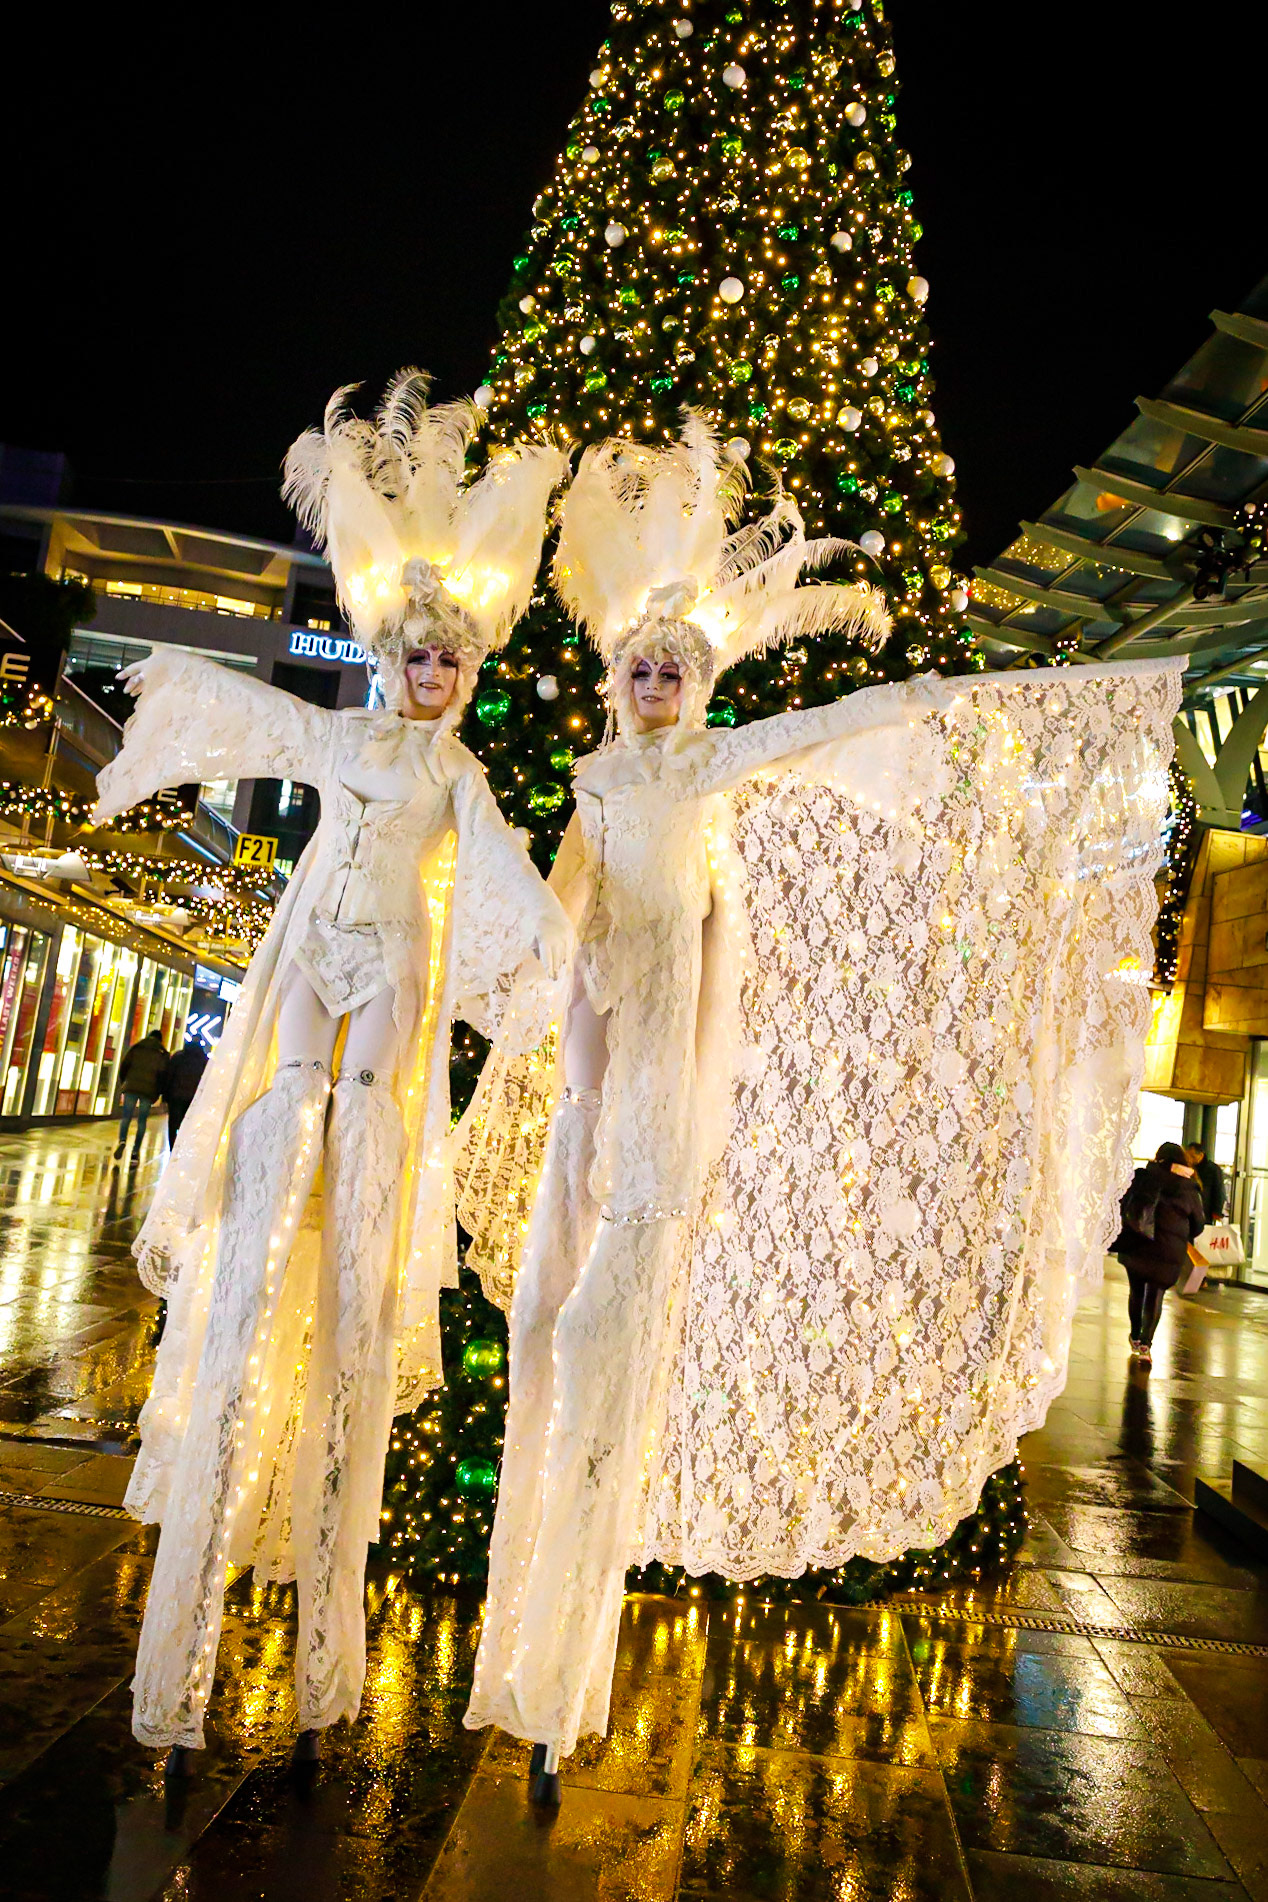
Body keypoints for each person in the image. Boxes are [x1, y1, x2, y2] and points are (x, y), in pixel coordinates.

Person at [454, 417, 1184, 1803]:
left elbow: (832, 730)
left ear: (700, 681)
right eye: (639, 666)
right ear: (615, 678)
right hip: (588, 1098)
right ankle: (536, 1663)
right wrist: (522, 962)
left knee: (609, 1354)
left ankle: (565, 1679)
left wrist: (954, 703)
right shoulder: (598, 785)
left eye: (677, 668)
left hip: (662, 1109)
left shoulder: (715, 770)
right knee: (555, 1339)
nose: (656, 683)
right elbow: (557, 916)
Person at [91, 372, 570, 1778]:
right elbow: (264, 720)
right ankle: (290, 1145)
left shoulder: (458, 776)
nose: (438, 679)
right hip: (316, 947)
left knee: (364, 1115)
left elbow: (503, 877)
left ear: (465, 674)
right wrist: (178, 690)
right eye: (423, 659)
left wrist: (551, 948)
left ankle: (349, 1149)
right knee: (291, 1095)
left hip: (396, 965)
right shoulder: (343, 737)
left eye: (455, 665)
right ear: (393, 656)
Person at [1111, 1141, 1205, 1365]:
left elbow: (1125, 1205)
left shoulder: (1143, 1178)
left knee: (1136, 1291)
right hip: (1168, 1250)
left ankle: (1135, 1336)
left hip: (1138, 1243)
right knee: (1156, 1295)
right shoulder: (1189, 1188)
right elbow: (1198, 1225)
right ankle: (1146, 1345)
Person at [114, 1028, 169, 1159]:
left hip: (131, 1086)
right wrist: (158, 1092)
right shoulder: (162, 1053)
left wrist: (124, 1082)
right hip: (148, 1091)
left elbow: (124, 1065)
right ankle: (135, 1150)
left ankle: (122, 1141)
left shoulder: (137, 1047)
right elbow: (163, 1075)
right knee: (142, 1121)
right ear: (160, 1040)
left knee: (126, 1117)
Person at [161, 1036, 209, 1145]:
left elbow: (169, 1076)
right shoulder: (204, 1061)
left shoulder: (178, 1057)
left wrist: (165, 1095)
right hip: (193, 1097)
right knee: (187, 1123)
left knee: (173, 1123)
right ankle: (183, 1145)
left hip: (175, 1096)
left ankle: (172, 1146)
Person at [1186, 1141, 1226, 1223]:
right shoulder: (1187, 1168)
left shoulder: (1213, 1169)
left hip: (1206, 1210)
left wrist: (1217, 1211)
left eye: (1193, 1156)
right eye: (1188, 1156)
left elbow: (1219, 1190)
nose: (1190, 1159)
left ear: (1201, 1155)